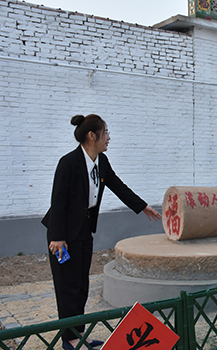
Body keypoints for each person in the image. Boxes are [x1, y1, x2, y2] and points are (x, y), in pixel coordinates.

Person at [42, 114, 162, 350]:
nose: (108, 138)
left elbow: (117, 185)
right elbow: (58, 201)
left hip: (85, 230)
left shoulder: (102, 161)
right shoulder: (68, 163)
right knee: (68, 287)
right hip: (63, 234)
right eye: (105, 132)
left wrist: (142, 206)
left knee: (81, 285)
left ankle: (78, 333)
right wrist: (57, 237)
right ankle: (70, 339)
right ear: (91, 135)